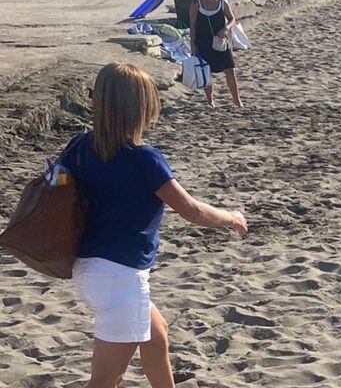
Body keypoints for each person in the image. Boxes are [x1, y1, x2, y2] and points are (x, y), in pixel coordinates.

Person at [70, 63, 248, 388]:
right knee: (106, 379)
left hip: (87, 270)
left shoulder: (80, 147)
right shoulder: (145, 160)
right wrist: (232, 217)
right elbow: (192, 210)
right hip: (120, 278)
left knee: (156, 335)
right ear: (141, 108)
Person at [188, 0, 242, 108]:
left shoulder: (222, 2)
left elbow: (232, 19)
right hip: (203, 40)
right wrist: (192, 45)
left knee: (230, 70)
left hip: (220, 40)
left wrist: (226, 29)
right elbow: (193, 25)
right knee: (206, 71)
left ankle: (237, 100)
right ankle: (210, 101)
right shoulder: (196, 3)